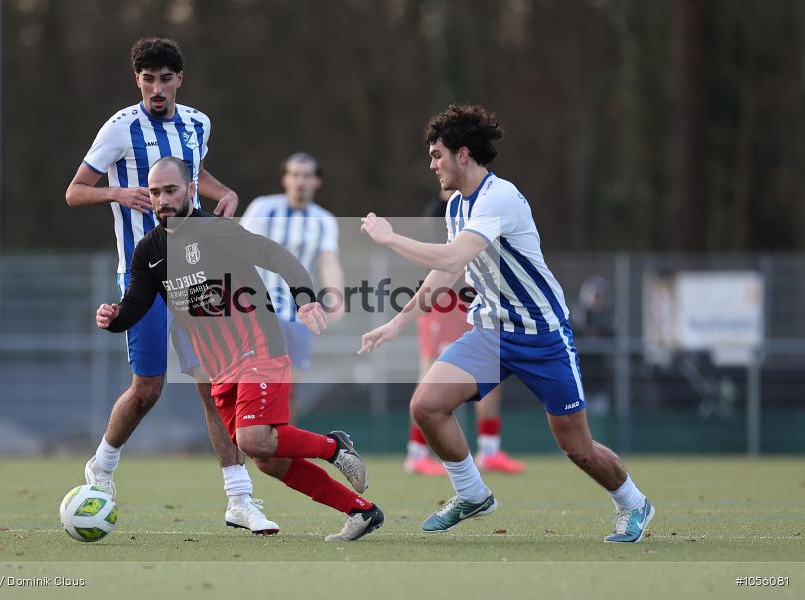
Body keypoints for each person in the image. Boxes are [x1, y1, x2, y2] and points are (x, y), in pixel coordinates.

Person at [359, 104, 654, 543]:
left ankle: (633, 503)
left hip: (543, 337)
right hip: (491, 333)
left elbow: (452, 257)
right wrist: (398, 322)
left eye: (437, 154)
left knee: (578, 447)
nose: (432, 164)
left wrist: (390, 237)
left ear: (463, 154)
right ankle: (472, 494)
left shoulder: (499, 197)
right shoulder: (457, 204)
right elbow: (449, 273)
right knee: (426, 406)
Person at [96, 157, 384, 542]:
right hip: (220, 369)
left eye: (171, 190)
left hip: (258, 347)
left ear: (191, 190)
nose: (162, 199)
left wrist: (305, 298)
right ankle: (361, 511)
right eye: (155, 192)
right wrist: (113, 318)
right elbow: (135, 306)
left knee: (251, 440)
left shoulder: (214, 230)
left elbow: (276, 255)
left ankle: (334, 447)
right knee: (270, 459)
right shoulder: (149, 250)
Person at [64, 37, 276, 534]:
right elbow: (74, 192)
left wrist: (225, 193)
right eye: (147, 79)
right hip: (143, 274)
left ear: (179, 79)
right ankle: (102, 468)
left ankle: (239, 498)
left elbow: (193, 176)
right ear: (136, 80)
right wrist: (118, 192)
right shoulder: (120, 129)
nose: (156, 88)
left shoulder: (198, 123)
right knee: (148, 388)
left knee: (213, 384)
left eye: (164, 79)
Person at [406, 192, 525, 476]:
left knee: (492, 368)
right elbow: (445, 259)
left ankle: (489, 449)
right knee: (432, 371)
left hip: (478, 299)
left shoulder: (486, 204)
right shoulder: (439, 210)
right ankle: (417, 453)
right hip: (445, 300)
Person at [239, 153, 344, 420]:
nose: (301, 181)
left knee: (288, 388)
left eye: (307, 175)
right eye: (295, 174)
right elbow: (237, 251)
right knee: (251, 384)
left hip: (296, 313)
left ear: (316, 181)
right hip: (256, 308)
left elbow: (329, 262)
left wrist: (336, 300)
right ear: (285, 178)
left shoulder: (324, 221)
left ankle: (281, 447)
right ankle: (243, 446)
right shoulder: (263, 209)